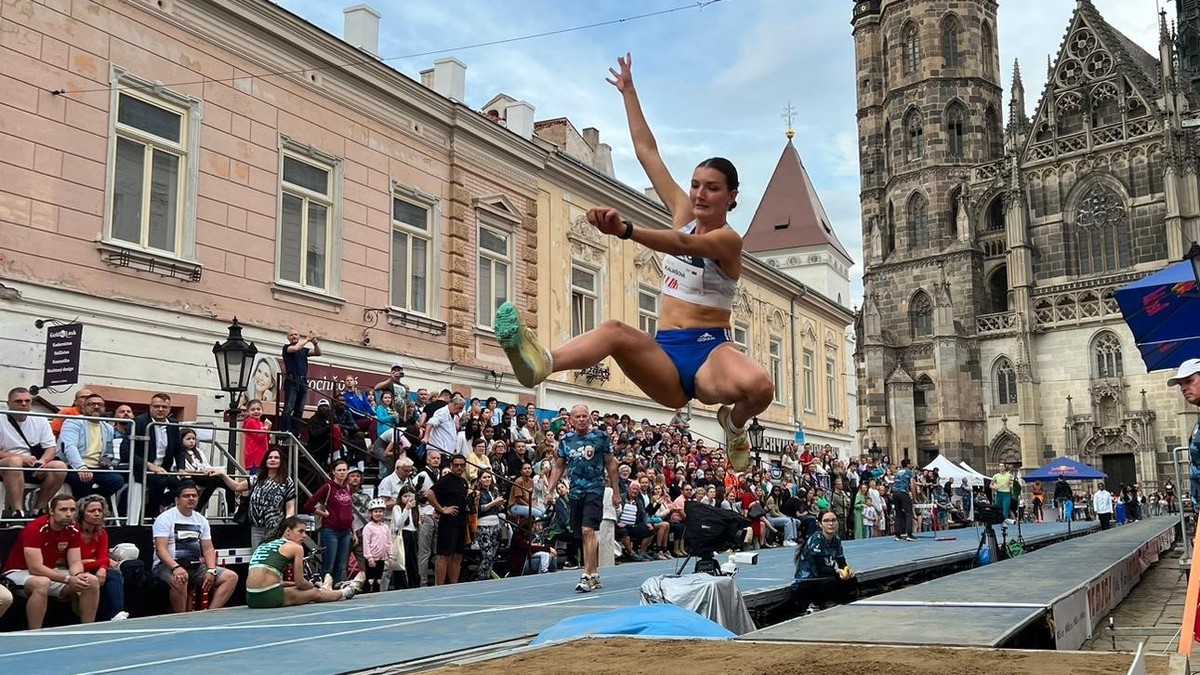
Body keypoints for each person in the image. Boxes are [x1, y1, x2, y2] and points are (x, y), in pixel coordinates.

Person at [492, 53, 773, 472]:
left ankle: (733, 423)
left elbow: (681, 243)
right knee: (614, 330)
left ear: (731, 196)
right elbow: (647, 151)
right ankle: (540, 365)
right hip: (665, 353)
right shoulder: (683, 209)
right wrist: (629, 92)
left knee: (761, 387)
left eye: (711, 188)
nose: (698, 194)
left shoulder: (729, 240)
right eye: (695, 185)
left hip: (710, 350)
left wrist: (626, 231)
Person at [545, 404, 621, 592]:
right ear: (571, 419)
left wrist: (616, 492)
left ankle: (586, 574)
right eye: (577, 416)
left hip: (594, 489)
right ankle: (594, 573)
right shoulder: (566, 440)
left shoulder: (601, 437)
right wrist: (550, 490)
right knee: (581, 533)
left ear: (590, 418)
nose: (581, 419)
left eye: (584, 416)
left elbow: (611, 464)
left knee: (589, 530)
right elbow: (559, 466)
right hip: (575, 492)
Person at [4, 494, 99, 629]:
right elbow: (35, 568)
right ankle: (35, 633)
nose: (68, 514)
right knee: (41, 582)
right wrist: (67, 579)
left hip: (50, 570)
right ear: (52, 511)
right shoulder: (35, 528)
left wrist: (77, 576)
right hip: (18, 572)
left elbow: (75, 562)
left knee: (90, 581)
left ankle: (88, 629)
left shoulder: (73, 529)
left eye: (72, 510)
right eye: (63, 510)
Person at [152, 481, 238, 612]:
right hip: (167, 565)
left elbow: (208, 548)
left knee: (231, 577)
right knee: (180, 579)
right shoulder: (165, 518)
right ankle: (181, 618)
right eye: (186, 496)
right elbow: (160, 549)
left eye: (194, 496)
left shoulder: (201, 520)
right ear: (177, 500)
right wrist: (176, 568)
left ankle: (209, 614)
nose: (191, 498)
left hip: (195, 566)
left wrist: (211, 570)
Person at [246, 516, 361, 608]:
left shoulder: (265, 545)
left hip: (251, 597)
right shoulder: (296, 547)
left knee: (302, 589)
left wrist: (294, 584)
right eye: (300, 531)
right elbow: (301, 582)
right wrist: (313, 585)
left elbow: (274, 581)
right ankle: (348, 591)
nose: (304, 536)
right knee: (315, 593)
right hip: (268, 596)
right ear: (288, 532)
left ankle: (328, 589)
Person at [0, 387, 69, 519]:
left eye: (27, 401)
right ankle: (18, 512)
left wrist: (42, 462)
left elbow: (50, 448)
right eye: (19, 401)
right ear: (9, 404)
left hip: (33, 463)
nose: (24, 404)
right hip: (7, 465)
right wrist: (21, 458)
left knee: (60, 467)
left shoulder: (40, 420)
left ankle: (39, 509)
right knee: (14, 462)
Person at [211, 446, 296, 548]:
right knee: (257, 558)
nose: (273, 460)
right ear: (265, 461)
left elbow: (290, 507)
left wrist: (287, 525)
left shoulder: (287, 481)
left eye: (276, 458)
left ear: (281, 461)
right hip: (256, 528)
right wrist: (222, 474)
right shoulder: (257, 478)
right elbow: (237, 487)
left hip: (275, 528)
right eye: (270, 457)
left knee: (272, 559)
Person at [791, 509, 857, 615]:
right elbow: (820, 567)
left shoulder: (836, 540)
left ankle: (834, 601)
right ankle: (815, 604)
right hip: (808, 580)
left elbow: (841, 561)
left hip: (824, 576)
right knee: (830, 581)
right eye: (826, 521)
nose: (830, 523)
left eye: (833, 520)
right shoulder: (817, 539)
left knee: (852, 580)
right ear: (820, 524)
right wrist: (837, 571)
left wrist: (847, 571)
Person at [74, 495, 128, 621]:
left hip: (92, 567)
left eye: (99, 510)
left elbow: (103, 557)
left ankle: (117, 613)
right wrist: (102, 562)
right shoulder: (74, 532)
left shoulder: (101, 532)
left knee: (114, 574)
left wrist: (102, 568)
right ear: (82, 513)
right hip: (74, 569)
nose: (97, 514)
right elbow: (75, 563)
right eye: (92, 511)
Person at [305, 459, 354, 584]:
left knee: (341, 565)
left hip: (346, 531)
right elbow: (309, 505)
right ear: (333, 472)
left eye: (344, 470)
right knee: (329, 565)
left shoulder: (348, 487)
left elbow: (349, 510)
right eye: (339, 470)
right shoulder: (327, 487)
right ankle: (325, 589)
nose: (342, 473)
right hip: (331, 530)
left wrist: (352, 530)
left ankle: (337, 589)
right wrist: (323, 513)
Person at [424, 454, 469, 585]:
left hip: (461, 522)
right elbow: (429, 494)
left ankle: (453, 585)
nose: (459, 467)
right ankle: (440, 586)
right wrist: (442, 509)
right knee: (444, 555)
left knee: (458, 555)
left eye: (461, 465)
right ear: (451, 466)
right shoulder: (446, 479)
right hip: (448, 523)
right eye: (456, 465)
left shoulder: (463, 482)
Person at [282, 328, 322, 435]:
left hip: (303, 381)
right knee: (288, 408)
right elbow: (295, 349)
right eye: (291, 335)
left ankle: (295, 432)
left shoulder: (304, 350)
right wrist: (308, 338)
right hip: (292, 379)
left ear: (299, 336)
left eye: (296, 334)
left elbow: (318, 353)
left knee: (299, 409)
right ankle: (284, 430)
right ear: (288, 338)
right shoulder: (286, 348)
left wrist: (315, 343)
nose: (294, 336)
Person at [361, 498, 390, 593]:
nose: (378, 514)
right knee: (370, 579)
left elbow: (389, 541)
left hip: (382, 557)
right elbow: (366, 543)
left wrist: (390, 555)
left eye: (380, 511)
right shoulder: (368, 528)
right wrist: (369, 558)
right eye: (376, 511)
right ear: (371, 513)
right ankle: (367, 593)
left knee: (379, 578)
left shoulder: (385, 527)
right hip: (372, 558)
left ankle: (377, 593)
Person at [891, 458, 916, 541]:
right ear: (908, 464)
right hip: (903, 492)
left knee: (898, 513)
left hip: (895, 493)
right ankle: (909, 534)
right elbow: (912, 485)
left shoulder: (898, 472)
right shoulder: (909, 472)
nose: (912, 464)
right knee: (909, 513)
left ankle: (897, 534)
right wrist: (913, 496)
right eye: (911, 463)